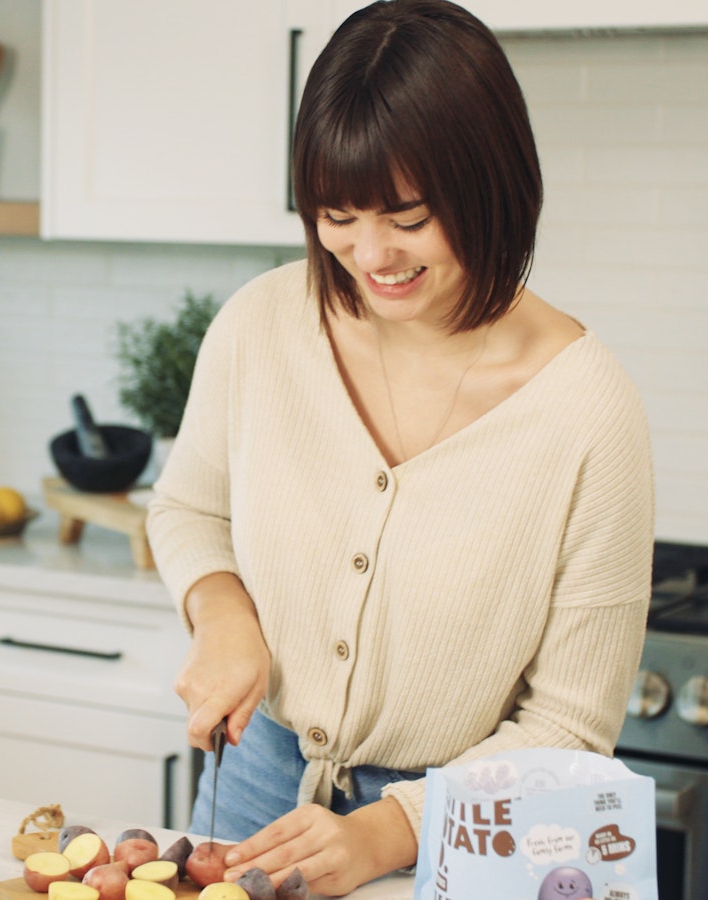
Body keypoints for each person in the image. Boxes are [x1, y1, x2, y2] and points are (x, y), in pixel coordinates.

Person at [144, 0, 655, 895]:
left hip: (463, 830)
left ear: (489, 185)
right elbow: (189, 508)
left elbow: (571, 727)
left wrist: (393, 830)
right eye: (337, 215)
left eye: (408, 218)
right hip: (255, 781)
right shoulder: (262, 324)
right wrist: (223, 612)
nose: (370, 253)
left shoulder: (588, 409)